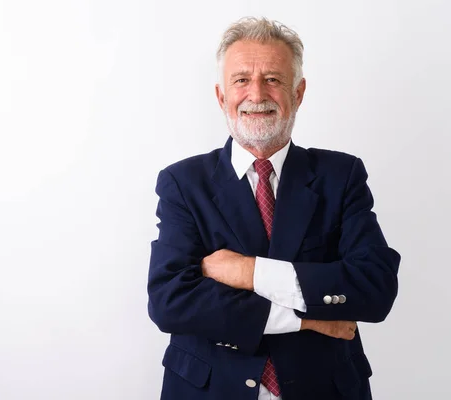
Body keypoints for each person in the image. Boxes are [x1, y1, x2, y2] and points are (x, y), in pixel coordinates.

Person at [147, 17, 400, 400]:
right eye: (241, 80)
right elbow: (170, 301)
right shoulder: (183, 183)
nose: (256, 94)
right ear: (221, 96)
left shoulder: (341, 175)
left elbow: (374, 288)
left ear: (298, 93)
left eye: (273, 79)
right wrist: (306, 320)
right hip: (209, 390)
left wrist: (248, 272)